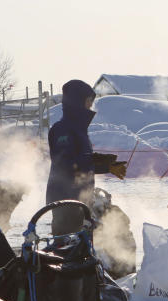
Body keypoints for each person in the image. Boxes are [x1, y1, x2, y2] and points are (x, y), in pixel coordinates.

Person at [46, 79, 126, 235]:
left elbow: (81, 157)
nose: (90, 105)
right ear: (77, 101)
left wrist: (103, 159)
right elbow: (68, 164)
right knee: (67, 248)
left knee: (82, 248)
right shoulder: (62, 130)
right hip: (66, 201)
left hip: (79, 200)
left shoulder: (78, 129)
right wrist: (105, 167)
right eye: (88, 101)